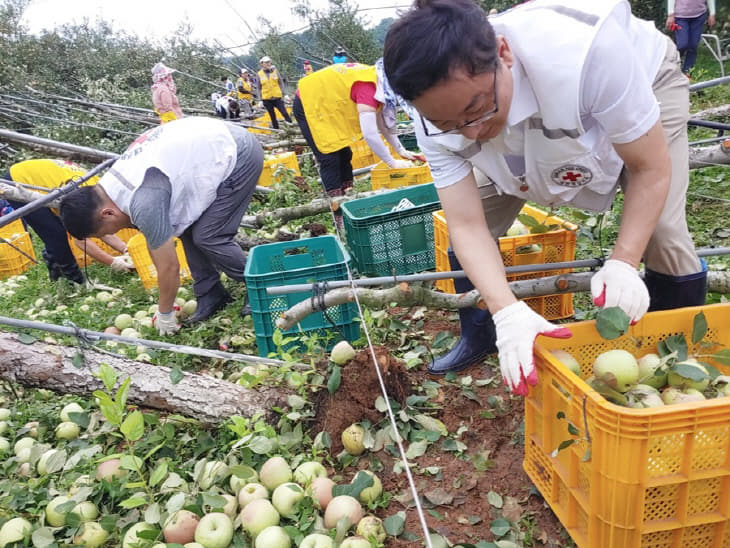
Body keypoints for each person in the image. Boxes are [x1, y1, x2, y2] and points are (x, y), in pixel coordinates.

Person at [383, 0, 706, 393]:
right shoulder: (436, 113)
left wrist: (623, 262)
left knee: (663, 231)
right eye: (446, 123)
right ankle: (481, 331)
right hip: (526, 109)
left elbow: (649, 168)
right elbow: (466, 224)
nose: (469, 133)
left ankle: (676, 361)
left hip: (645, 76)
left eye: (476, 109)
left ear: (503, 53)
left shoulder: (588, 54)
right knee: (480, 214)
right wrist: (507, 312)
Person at [59, 117, 264, 334]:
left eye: (109, 230)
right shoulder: (108, 190)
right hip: (209, 146)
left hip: (237, 152)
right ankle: (211, 293)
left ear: (107, 213)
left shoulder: (142, 200)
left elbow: (169, 267)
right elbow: (155, 241)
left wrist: (164, 312)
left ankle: (260, 283)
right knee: (186, 230)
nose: (116, 232)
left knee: (209, 236)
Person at [292, 59, 422, 222]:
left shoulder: (380, 83)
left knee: (345, 153)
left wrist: (401, 150)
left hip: (327, 103)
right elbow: (370, 134)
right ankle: (337, 212)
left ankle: (349, 196)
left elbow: (382, 121)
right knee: (329, 158)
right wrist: (392, 162)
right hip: (308, 102)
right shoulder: (368, 87)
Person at [3, 159, 135, 283]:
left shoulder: (99, 194)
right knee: (56, 234)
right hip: (19, 181)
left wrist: (125, 249)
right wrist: (112, 262)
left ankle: (56, 270)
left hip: (42, 180)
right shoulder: (89, 200)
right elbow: (80, 238)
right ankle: (74, 280)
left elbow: (101, 228)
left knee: (55, 231)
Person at [666, 0, 716, 74]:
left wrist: (712, 14)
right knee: (682, 44)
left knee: (693, 45)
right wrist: (670, 14)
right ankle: (671, 65)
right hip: (680, 17)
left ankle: (687, 72)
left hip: (699, 16)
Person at [258, 56, 292, 129]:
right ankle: (276, 130)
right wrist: (260, 100)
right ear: (262, 64)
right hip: (267, 99)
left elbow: (280, 83)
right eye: (266, 62)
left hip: (277, 97)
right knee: (272, 116)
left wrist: (285, 94)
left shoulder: (275, 71)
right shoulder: (259, 74)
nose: (268, 64)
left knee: (284, 113)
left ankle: (291, 126)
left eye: (269, 62)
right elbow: (259, 88)